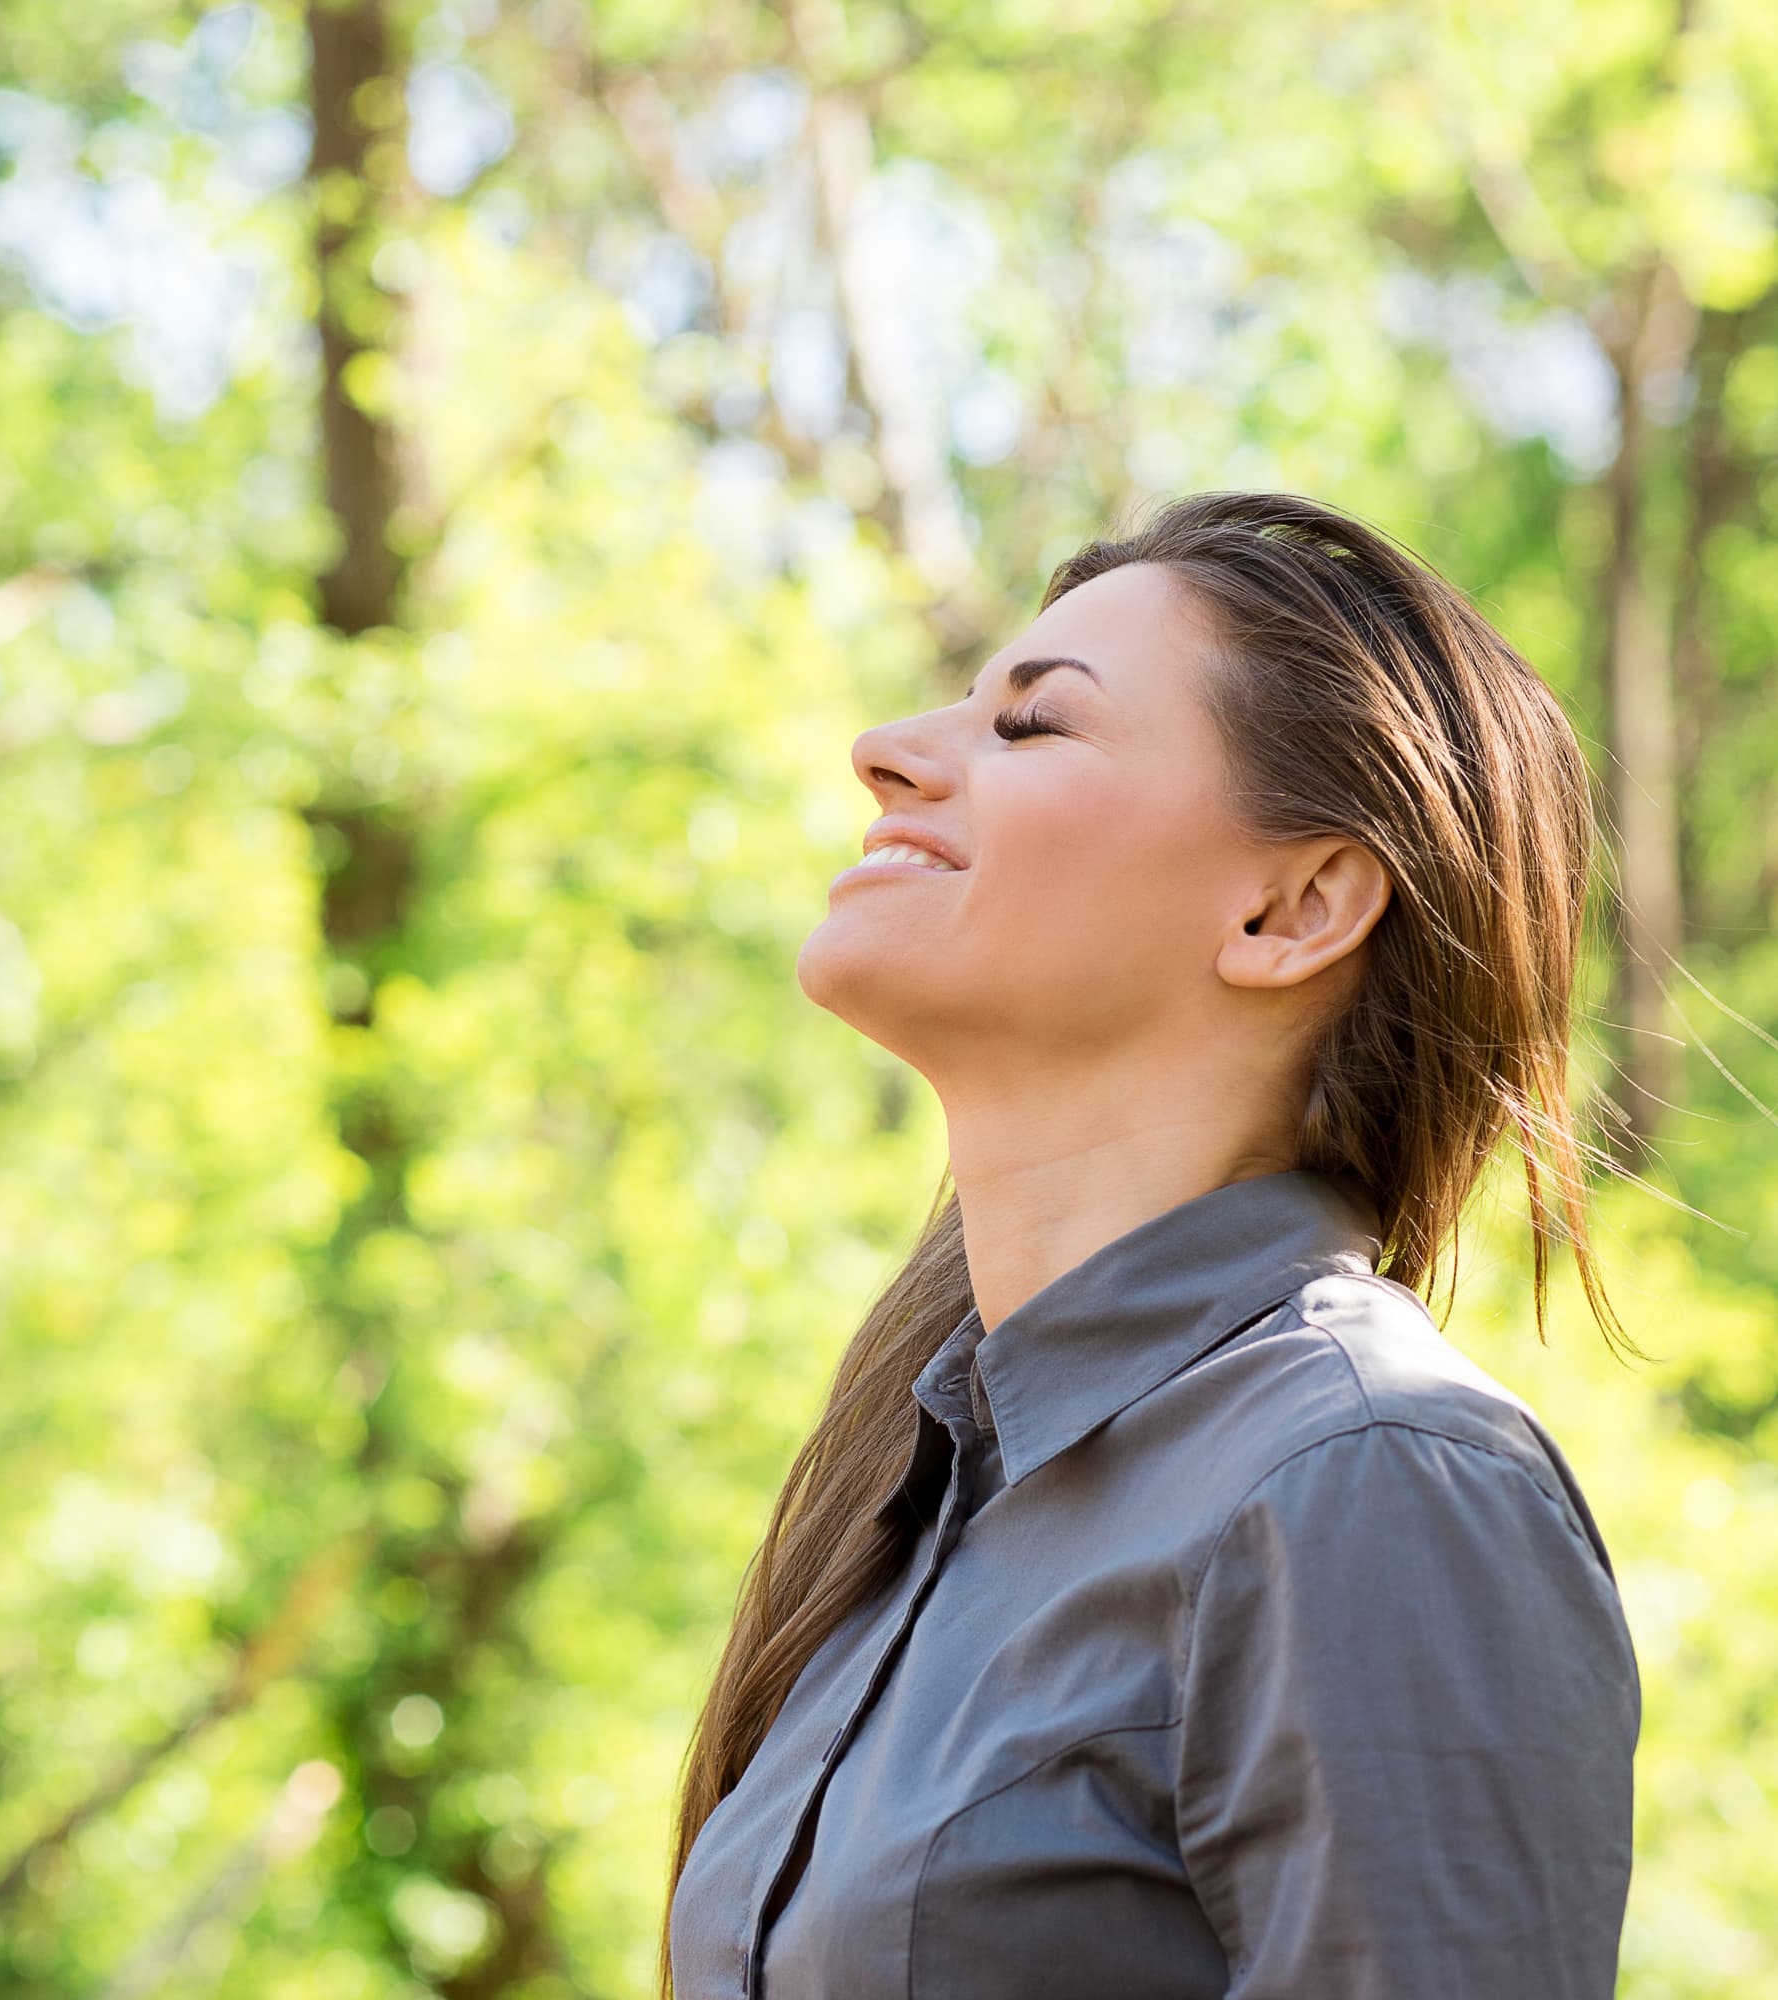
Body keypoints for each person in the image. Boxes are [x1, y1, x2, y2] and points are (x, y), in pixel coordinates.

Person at [662, 491, 1642, 1999]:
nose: (885, 749)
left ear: (1290, 909)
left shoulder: (1369, 1478)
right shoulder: (925, 1491)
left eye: (1031, 724)